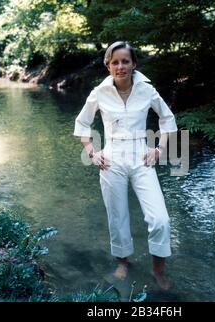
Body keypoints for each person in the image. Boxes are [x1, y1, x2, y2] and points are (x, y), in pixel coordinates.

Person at [74, 41, 178, 290]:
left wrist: (159, 150)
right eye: (115, 62)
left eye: (125, 61)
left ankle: (158, 270)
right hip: (111, 159)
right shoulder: (99, 92)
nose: (120, 66)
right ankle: (122, 263)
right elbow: (82, 124)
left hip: (142, 156)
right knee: (117, 216)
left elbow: (167, 118)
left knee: (160, 219)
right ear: (108, 65)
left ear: (134, 64)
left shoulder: (147, 90)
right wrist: (92, 152)